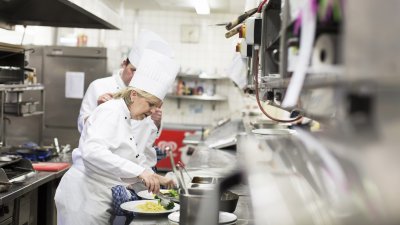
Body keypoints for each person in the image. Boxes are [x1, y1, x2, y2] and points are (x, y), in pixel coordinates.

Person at [55, 48, 180, 225]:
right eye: (151, 104)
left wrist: (160, 179)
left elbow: (123, 157)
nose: (153, 111)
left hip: (97, 195)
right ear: (134, 95)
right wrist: (140, 172)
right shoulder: (111, 110)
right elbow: (92, 151)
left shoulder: (125, 116)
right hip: (84, 197)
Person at [77, 30, 173, 158]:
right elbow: (82, 126)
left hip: (139, 162)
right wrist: (98, 110)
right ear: (124, 64)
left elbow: (151, 135)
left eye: (140, 72)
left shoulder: (149, 95)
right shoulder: (99, 86)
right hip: (105, 160)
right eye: (132, 70)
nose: (135, 76)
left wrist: (157, 122)